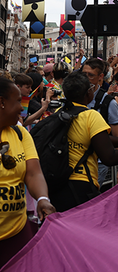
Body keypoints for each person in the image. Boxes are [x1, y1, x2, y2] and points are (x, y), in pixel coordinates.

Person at [49, 72, 118, 212]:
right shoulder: (91, 116)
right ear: (88, 93)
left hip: (58, 181)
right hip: (82, 182)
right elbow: (109, 157)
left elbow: (99, 139)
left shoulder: (60, 112)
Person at [0, 79, 54, 265]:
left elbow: (33, 173)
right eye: (17, 101)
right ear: (2, 102)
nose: (21, 109)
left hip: (18, 234)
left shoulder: (21, 133)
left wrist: (42, 199)